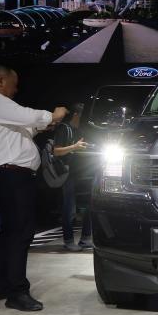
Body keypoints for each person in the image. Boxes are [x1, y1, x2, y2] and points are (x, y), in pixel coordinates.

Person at [0, 65, 67, 311]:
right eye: (14, 84)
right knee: (21, 233)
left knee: (9, 233)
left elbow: (24, 127)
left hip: (8, 176)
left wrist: (42, 125)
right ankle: (17, 292)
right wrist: (54, 115)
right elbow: (29, 116)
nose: (16, 90)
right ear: (1, 80)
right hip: (12, 177)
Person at [53, 103, 90, 251]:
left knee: (89, 206)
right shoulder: (64, 128)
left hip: (82, 173)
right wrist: (74, 147)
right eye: (82, 115)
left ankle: (86, 239)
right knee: (69, 209)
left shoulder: (79, 130)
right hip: (68, 174)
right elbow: (56, 151)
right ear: (76, 114)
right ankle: (68, 241)